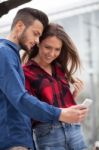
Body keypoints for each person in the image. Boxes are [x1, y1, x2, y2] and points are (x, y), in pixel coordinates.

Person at [0, 8, 88, 150]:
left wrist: (70, 99)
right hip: (16, 140)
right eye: (35, 34)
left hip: (25, 139)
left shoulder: (11, 54)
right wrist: (61, 113)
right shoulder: (4, 52)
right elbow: (22, 99)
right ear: (20, 26)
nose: (36, 40)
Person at [23, 23, 88, 150]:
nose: (52, 53)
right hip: (48, 134)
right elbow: (31, 107)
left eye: (57, 49)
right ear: (38, 42)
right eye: (48, 47)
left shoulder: (59, 68)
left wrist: (72, 95)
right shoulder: (26, 71)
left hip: (74, 130)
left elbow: (58, 102)